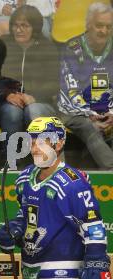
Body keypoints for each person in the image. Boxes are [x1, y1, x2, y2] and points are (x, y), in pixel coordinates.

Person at [0, 116, 111, 279]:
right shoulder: (24, 178)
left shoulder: (73, 183)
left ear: (59, 144)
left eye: (42, 143)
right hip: (31, 276)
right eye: (32, 142)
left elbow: (93, 226)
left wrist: (97, 261)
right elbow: (27, 215)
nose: (35, 148)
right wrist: (15, 229)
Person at [0, 5, 59, 165]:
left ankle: (44, 162)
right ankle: (11, 164)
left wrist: (34, 95)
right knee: (12, 113)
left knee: (33, 110)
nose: (18, 30)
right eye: (15, 25)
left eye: (24, 25)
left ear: (34, 28)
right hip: (6, 102)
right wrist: (7, 94)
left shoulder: (47, 48)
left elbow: (55, 82)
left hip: (41, 102)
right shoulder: (3, 44)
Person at [58, 2, 113, 169]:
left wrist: (111, 112)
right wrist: (91, 114)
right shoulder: (73, 48)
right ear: (88, 25)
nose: (104, 31)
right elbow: (69, 89)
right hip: (77, 112)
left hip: (108, 111)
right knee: (90, 128)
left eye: (109, 26)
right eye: (99, 25)